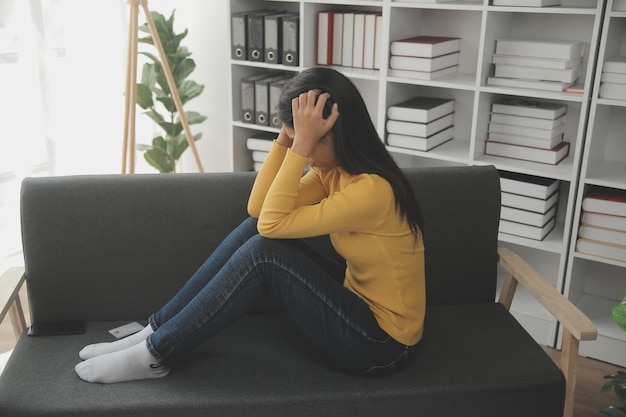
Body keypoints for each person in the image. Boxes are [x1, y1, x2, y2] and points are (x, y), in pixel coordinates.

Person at [75, 67, 426, 384]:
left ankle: (155, 355)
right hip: (355, 303)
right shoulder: (333, 173)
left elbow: (272, 225)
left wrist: (300, 147)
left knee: (264, 253)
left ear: (335, 132)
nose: (307, 151)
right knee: (252, 232)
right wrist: (287, 138)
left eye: (312, 139)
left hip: (381, 344)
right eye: (298, 136)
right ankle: (157, 327)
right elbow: (259, 211)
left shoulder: (373, 191)